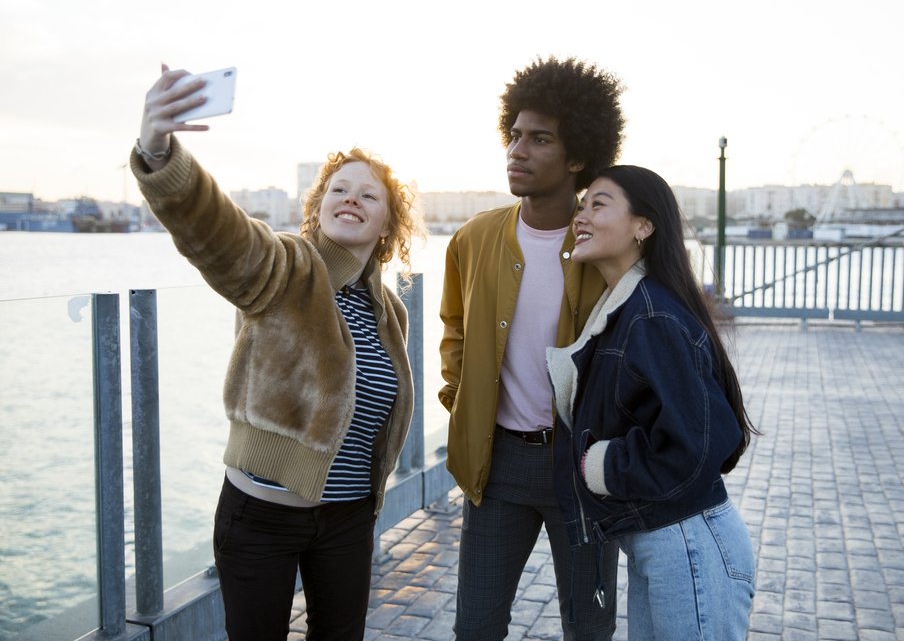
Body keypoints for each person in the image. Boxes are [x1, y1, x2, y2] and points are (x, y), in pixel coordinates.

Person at [130, 65, 420, 641]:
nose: (352, 198)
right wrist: (159, 152)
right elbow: (219, 234)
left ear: (388, 224)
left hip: (348, 517)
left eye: (369, 195)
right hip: (262, 517)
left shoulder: (389, 310)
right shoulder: (286, 270)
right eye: (339, 189)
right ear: (318, 207)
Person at [439, 56, 624, 640]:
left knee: (588, 628)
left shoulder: (607, 244)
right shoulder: (473, 238)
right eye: (515, 135)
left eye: (540, 139)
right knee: (476, 627)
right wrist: (461, 402)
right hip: (497, 466)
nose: (517, 151)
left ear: (577, 158)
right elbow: (454, 332)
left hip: (582, 467)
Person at [546, 165, 758, 640]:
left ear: (643, 226)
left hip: (688, 545)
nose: (581, 216)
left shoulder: (651, 314)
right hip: (666, 544)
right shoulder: (629, 306)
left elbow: (702, 443)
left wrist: (601, 465)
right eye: (582, 205)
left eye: (598, 204)